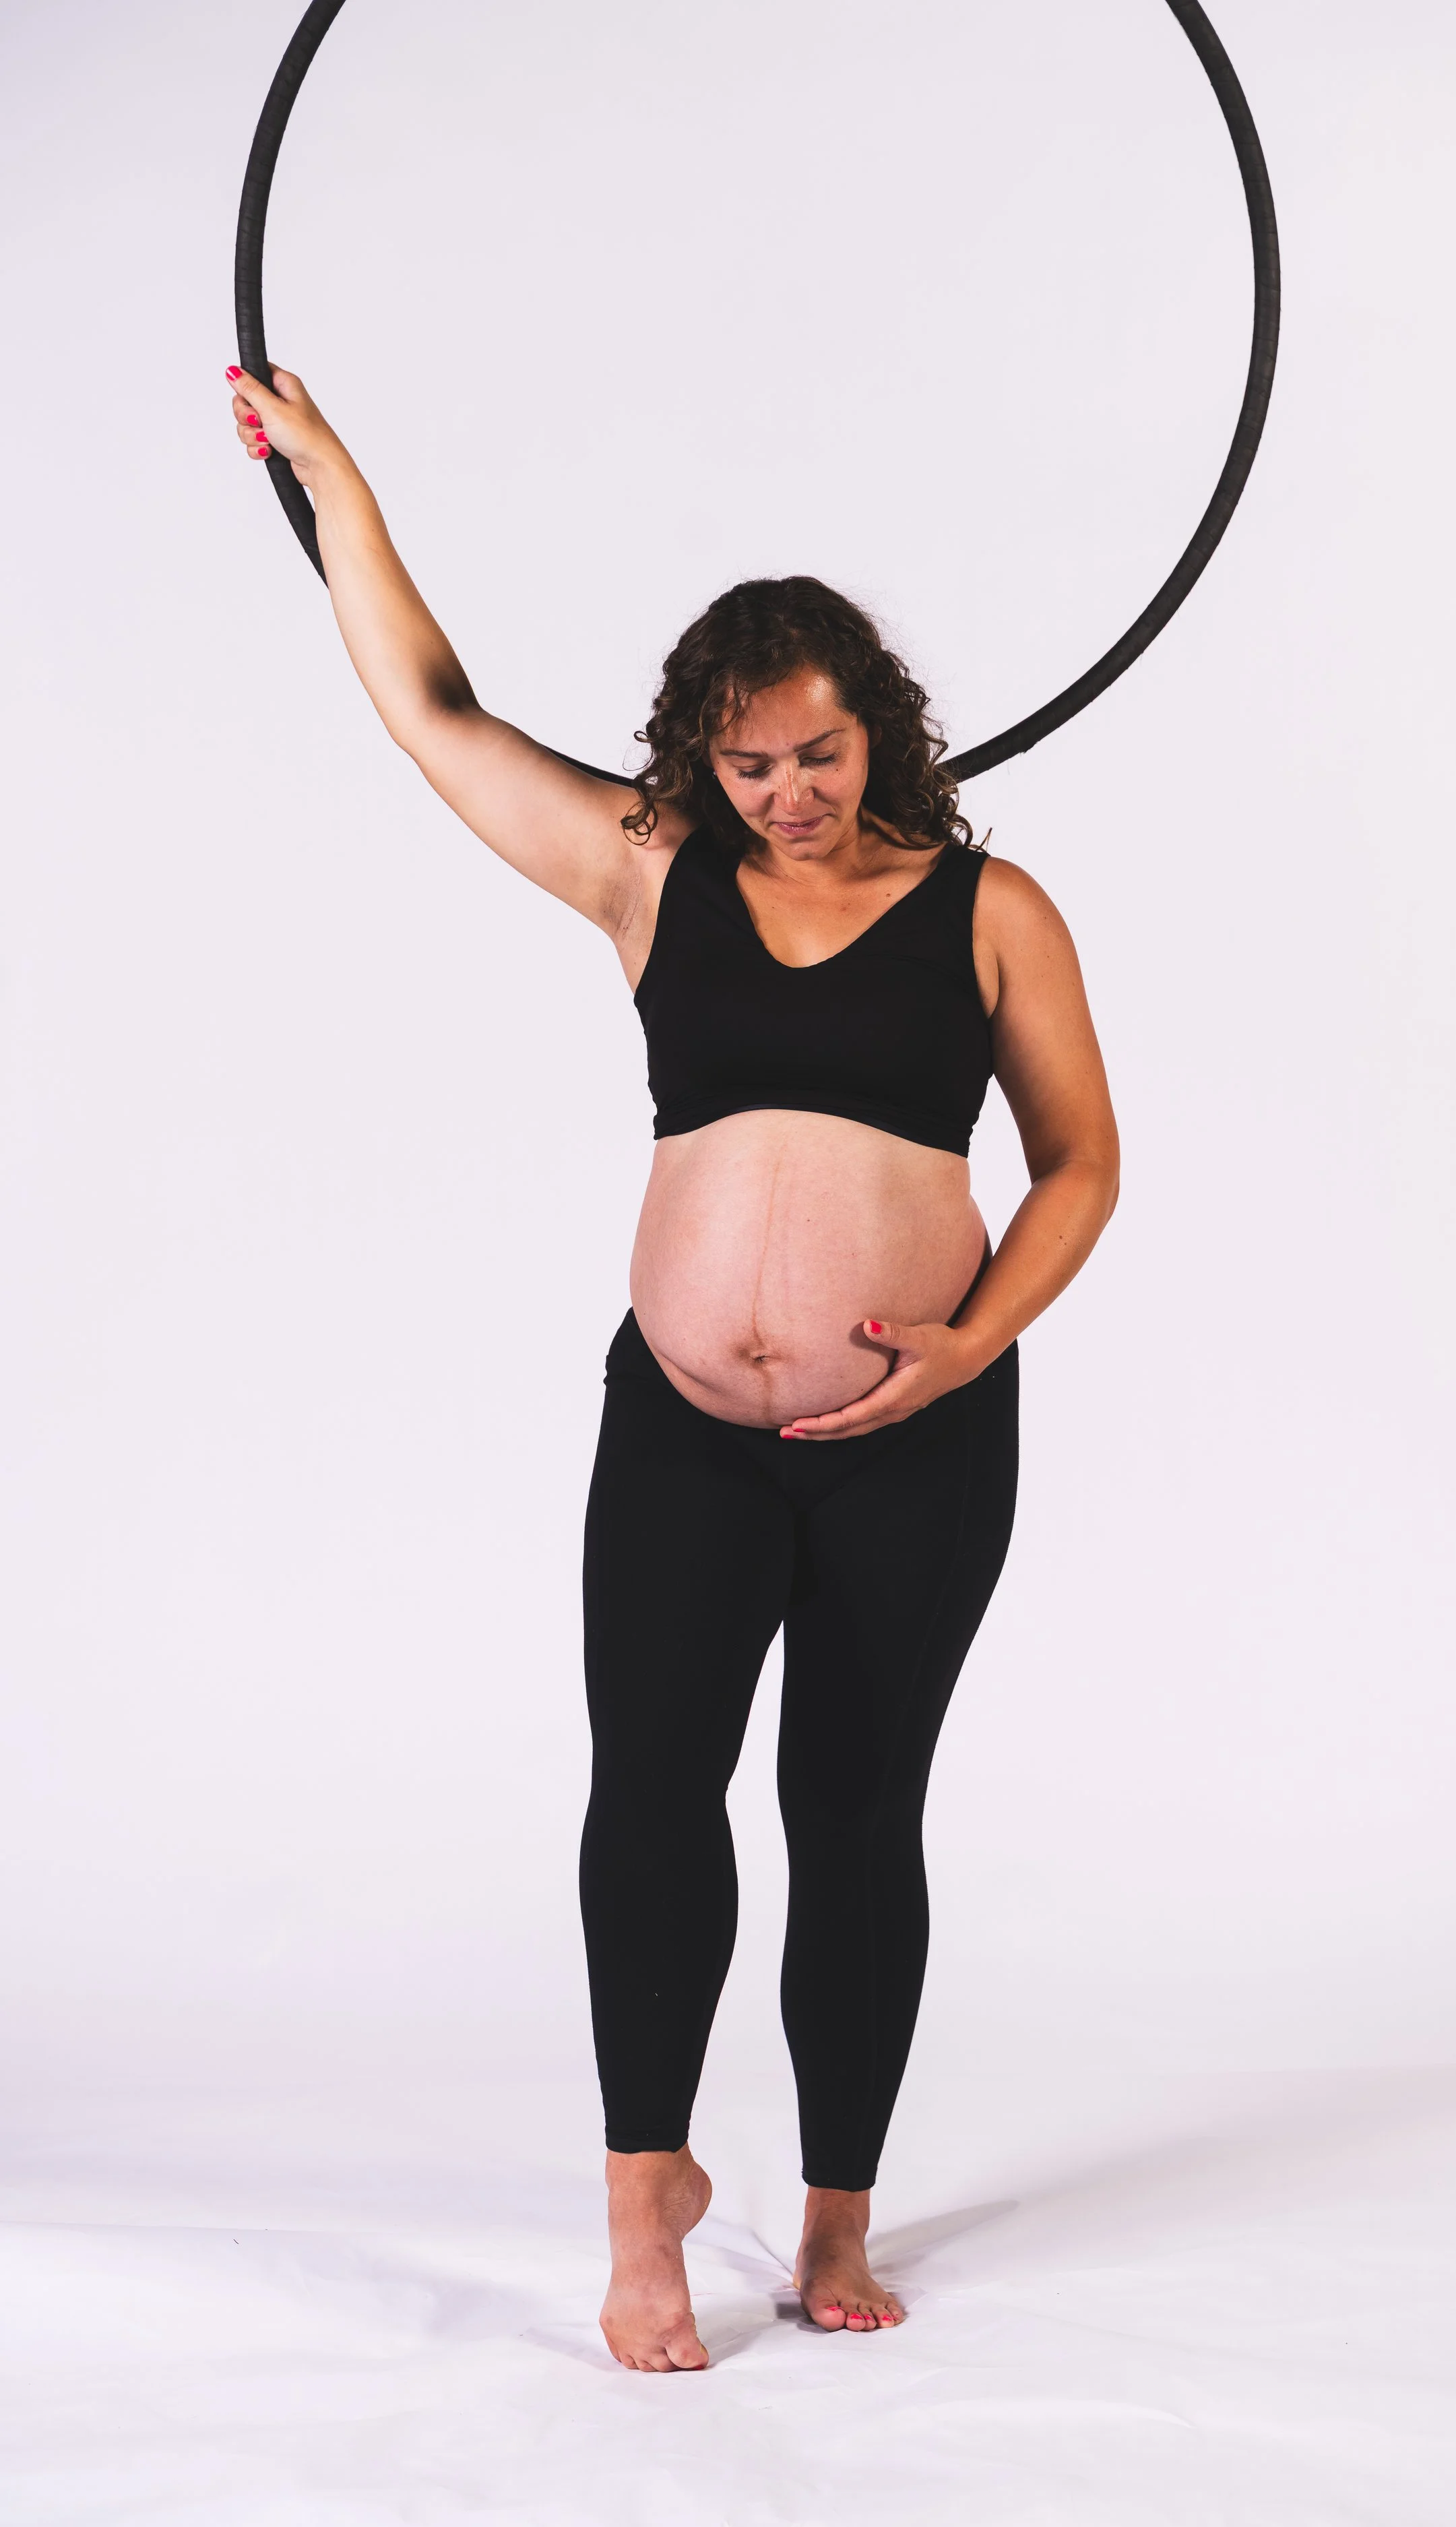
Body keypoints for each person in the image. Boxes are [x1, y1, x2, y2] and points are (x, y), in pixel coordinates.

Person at [226, 363, 1120, 2372]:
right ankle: (643, 2208)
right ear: (698, 763)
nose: (783, 795)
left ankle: (831, 2216)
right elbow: (435, 711)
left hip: (917, 1436)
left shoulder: (991, 910)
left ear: (874, 728)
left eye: (812, 755)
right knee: (650, 1792)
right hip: (688, 1435)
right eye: (748, 766)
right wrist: (334, 478)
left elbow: (1081, 1164)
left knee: (855, 1808)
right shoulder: (655, 871)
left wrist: (970, 1339)